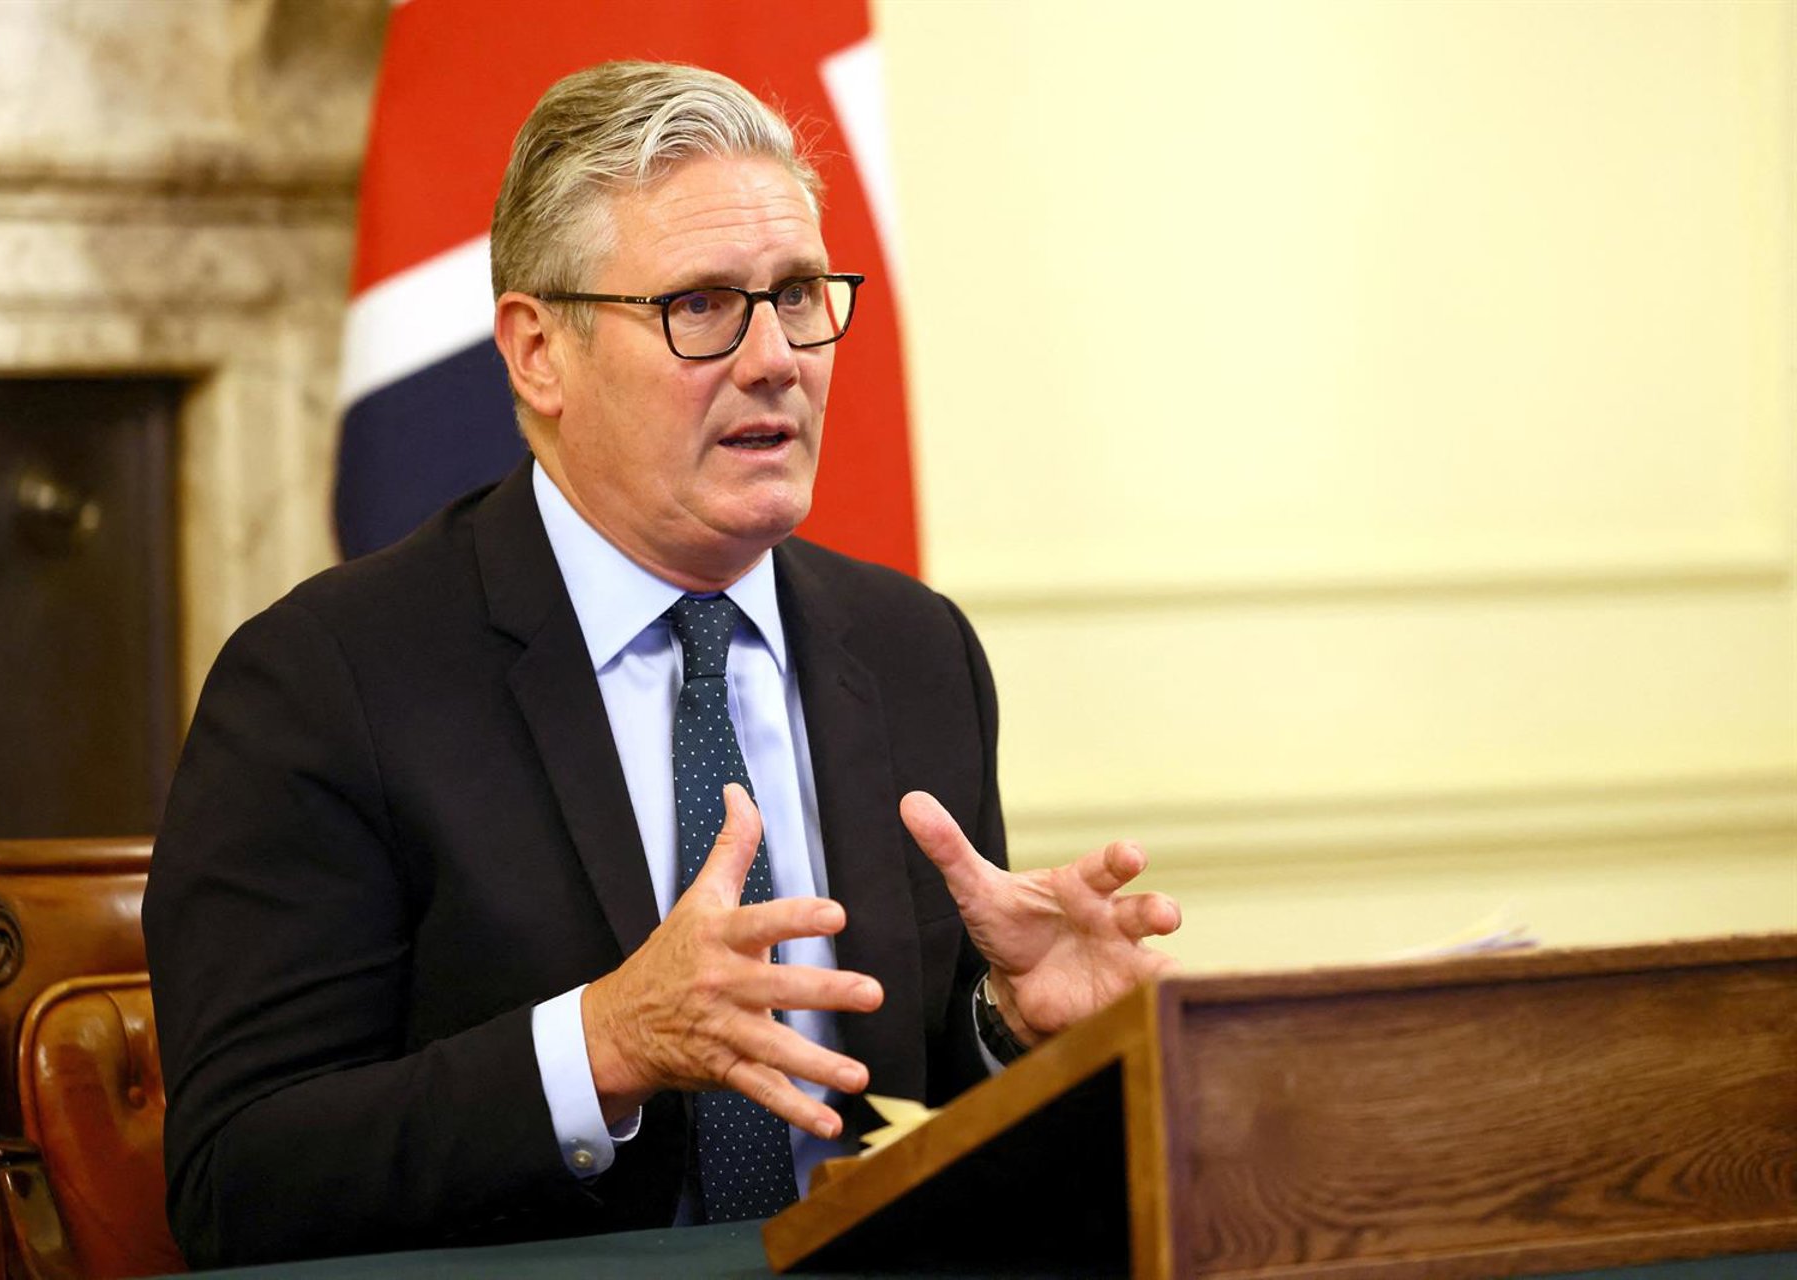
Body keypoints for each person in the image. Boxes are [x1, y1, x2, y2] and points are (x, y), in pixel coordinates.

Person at [143, 60, 1180, 1269]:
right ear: (539, 352)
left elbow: (911, 1107)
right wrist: (600, 1048)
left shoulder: (914, 649)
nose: (776, 358)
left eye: (799, 295)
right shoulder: (327, 680)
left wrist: (1007, 1026)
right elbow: (240, 1178)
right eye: (701, 305)